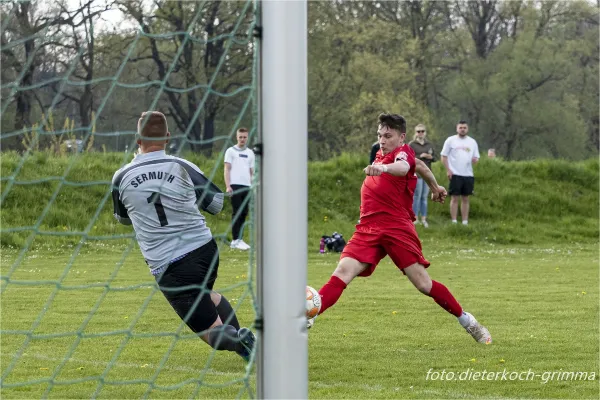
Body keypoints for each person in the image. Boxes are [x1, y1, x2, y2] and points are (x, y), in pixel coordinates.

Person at [309, 113, 491, 345]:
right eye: (379, 135)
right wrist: (435, 187)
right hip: (368, 228)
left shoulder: (402, 154)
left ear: (401, 137)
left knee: (423, 284)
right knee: (343, 272)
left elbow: (405, 167)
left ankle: (468, 321)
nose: (382, 140)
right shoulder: (379, 153)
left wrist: (383, 170)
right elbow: (421, 166)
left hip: (396, 228)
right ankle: (310, 314)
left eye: (387, 136)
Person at [112, 111, 256, 361]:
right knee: (206, 296)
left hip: (170, 265)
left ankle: (236, 339)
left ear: (137, 139)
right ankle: (244, 345)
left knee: (209, 332)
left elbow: (123, 219)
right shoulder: (183, 166)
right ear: (168, 137)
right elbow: (216, 204)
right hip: (205, 251)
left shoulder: (122, 176)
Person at [440, 120, 480, 225]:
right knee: (454, 197)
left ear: (467, 129)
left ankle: (465, 221)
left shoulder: (472, 142)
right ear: (457, 128)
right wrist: (448, 170)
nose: (462, 129)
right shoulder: (451, 140)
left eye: (464, 128)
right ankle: (454, 221)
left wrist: (475, 160)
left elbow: (476, 157)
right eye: (460, 127)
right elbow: (444, 156)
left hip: (468, 174)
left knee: (466, 198)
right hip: (455, 173)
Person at [224, 128, 255, 250]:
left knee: (244, 213)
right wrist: (228, 185)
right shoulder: (230, 151)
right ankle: (235, 240)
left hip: (246, 186)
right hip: (235, 185)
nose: (242, 139)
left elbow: (252, 172)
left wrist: (252, 186)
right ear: (237, 137)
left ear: (247, 138)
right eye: (240, 137)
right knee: (237, 212)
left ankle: (240, 239)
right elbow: (227, 169)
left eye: (244, 137)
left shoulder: (250, 153)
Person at [409, 124, 436, 228]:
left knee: (424, 197)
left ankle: (424, 218)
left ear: (425, 132)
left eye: (422, 131)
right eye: (418, 131)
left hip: (427, 173)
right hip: (417, 174)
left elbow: (435, 157)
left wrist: (430, 157)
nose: (420, 133)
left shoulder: (429, 144)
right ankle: (414, 218)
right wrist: (420, 156)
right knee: (417, 196)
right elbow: (408, 158)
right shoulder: (412, 144)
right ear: (415, 133)